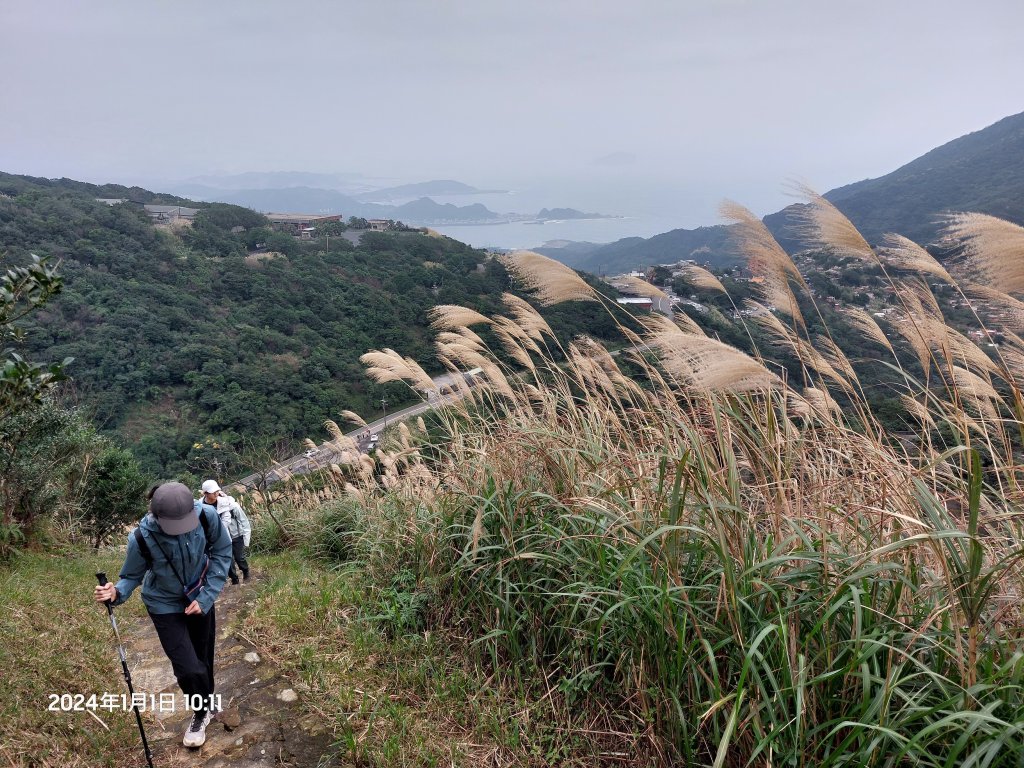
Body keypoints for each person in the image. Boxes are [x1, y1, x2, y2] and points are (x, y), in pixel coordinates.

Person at [93, 481, 232, 748]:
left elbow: (222, 552)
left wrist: (206, 597)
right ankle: (201, 712)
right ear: (156, 516)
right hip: (163, 604)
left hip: (200, 596)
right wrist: (115, 593)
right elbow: (131, 576)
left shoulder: (206, 516)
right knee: (188, 668)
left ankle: (206, 701)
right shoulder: (142, 537)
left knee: (203, 658)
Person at [200, 480, 252, 584]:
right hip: (217, 538)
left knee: (239, 557)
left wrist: (246, 540)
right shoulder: (200, 507)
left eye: (217, 491)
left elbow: (243, 521)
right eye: (213, 492)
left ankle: (245, 571)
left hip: (235, 535)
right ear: (205, 493)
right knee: (227, 560)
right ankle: (234, 579)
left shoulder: (230, 504)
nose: (216, 493)